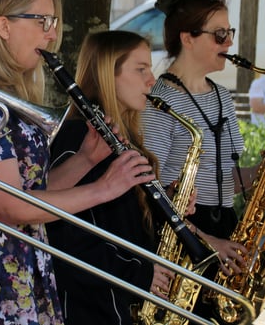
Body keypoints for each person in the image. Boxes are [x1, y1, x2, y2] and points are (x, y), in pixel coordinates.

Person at [0, 0, 156, 325]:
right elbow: (10, 206)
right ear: (3, 26)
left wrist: (84, 160)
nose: (51, 35)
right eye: (43, 21)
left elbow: (31, 192)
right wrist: (104, 188)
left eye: (54, 22)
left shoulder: (0, 95)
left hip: (18, 265)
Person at [142, 0, 265, 286]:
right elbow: (150, 195)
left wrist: (261, 175)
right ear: (188, 39)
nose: (228, 43)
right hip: (183, 238)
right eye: (219, 35)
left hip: (224, 228)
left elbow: (222, 179)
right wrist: (209, 242)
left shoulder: (222, 96)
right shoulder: (160, 101)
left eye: (230, 33)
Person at [47, 30, 177, 324]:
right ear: (109, 74)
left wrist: (164, 203)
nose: (151, 81)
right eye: (141, 69)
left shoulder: (122, 135)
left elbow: (120, 222)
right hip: (90, 309)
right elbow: (67, 237)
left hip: (116, 303)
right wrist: (140, 272)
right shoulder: (79, 136)